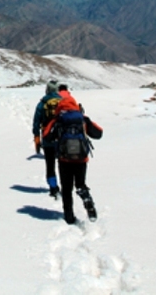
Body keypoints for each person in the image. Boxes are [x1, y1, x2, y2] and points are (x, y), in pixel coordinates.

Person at [43, 84, 103, 224]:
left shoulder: (58, 119)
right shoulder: (82, 118)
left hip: (64, 159)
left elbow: (47, 136)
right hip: (81, 159)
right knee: (80, 184)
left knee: (66, 188)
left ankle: (69, 217)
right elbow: (98, 133)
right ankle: (86, 198)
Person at [32, 80, 62, 198]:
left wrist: (36, 138)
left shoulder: (42, 103)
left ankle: (53, 187)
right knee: (63, 164)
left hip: (47, 138)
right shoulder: (63, 102)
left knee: (50, 165)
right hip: (61, 138)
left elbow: (36, 123)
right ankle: (65, 186)